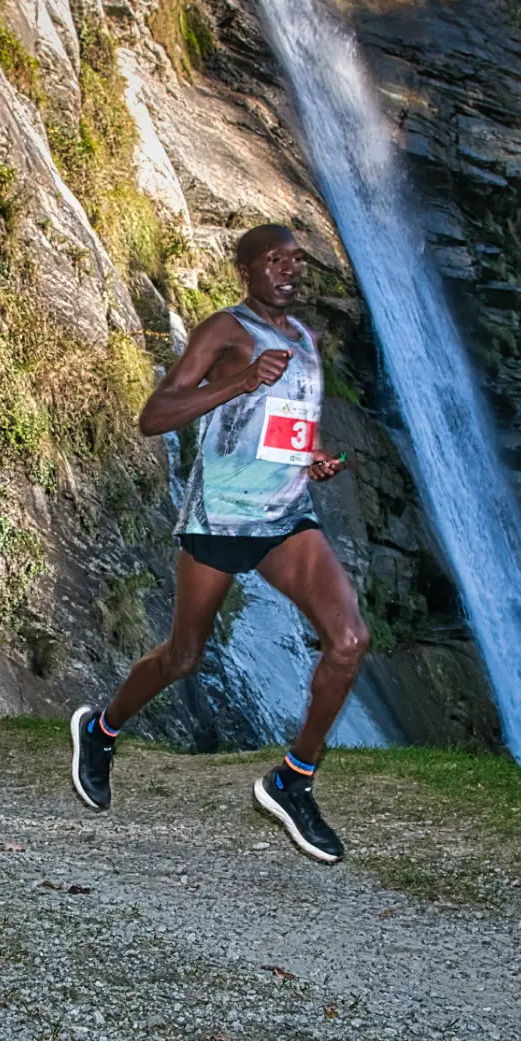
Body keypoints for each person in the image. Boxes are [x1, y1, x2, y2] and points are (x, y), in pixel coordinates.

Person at [70, 224, 368, 863]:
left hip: (287, 518)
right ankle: (100, 729)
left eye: (297, 262)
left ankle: (292, 780)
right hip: (220, 520)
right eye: (274, 260)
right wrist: (239, 381)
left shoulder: (307, 341)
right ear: (246, 271)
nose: (290, 270)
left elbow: (279, 432)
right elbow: (155, 415)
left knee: (350, 641)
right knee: (183, 658)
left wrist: (309, 458)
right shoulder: (225, 331)